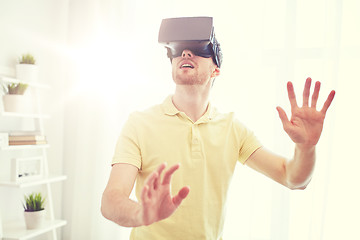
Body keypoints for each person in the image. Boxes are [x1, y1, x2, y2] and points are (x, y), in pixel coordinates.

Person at [101, 17, 335, 240]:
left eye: (199, 48)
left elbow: (292, 178)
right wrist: (140, 213)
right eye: (178, 49)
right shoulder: (139, 123)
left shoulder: (233, 129)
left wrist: (305, 148)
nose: (185, 53)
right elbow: (111, 200)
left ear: (216, 70)